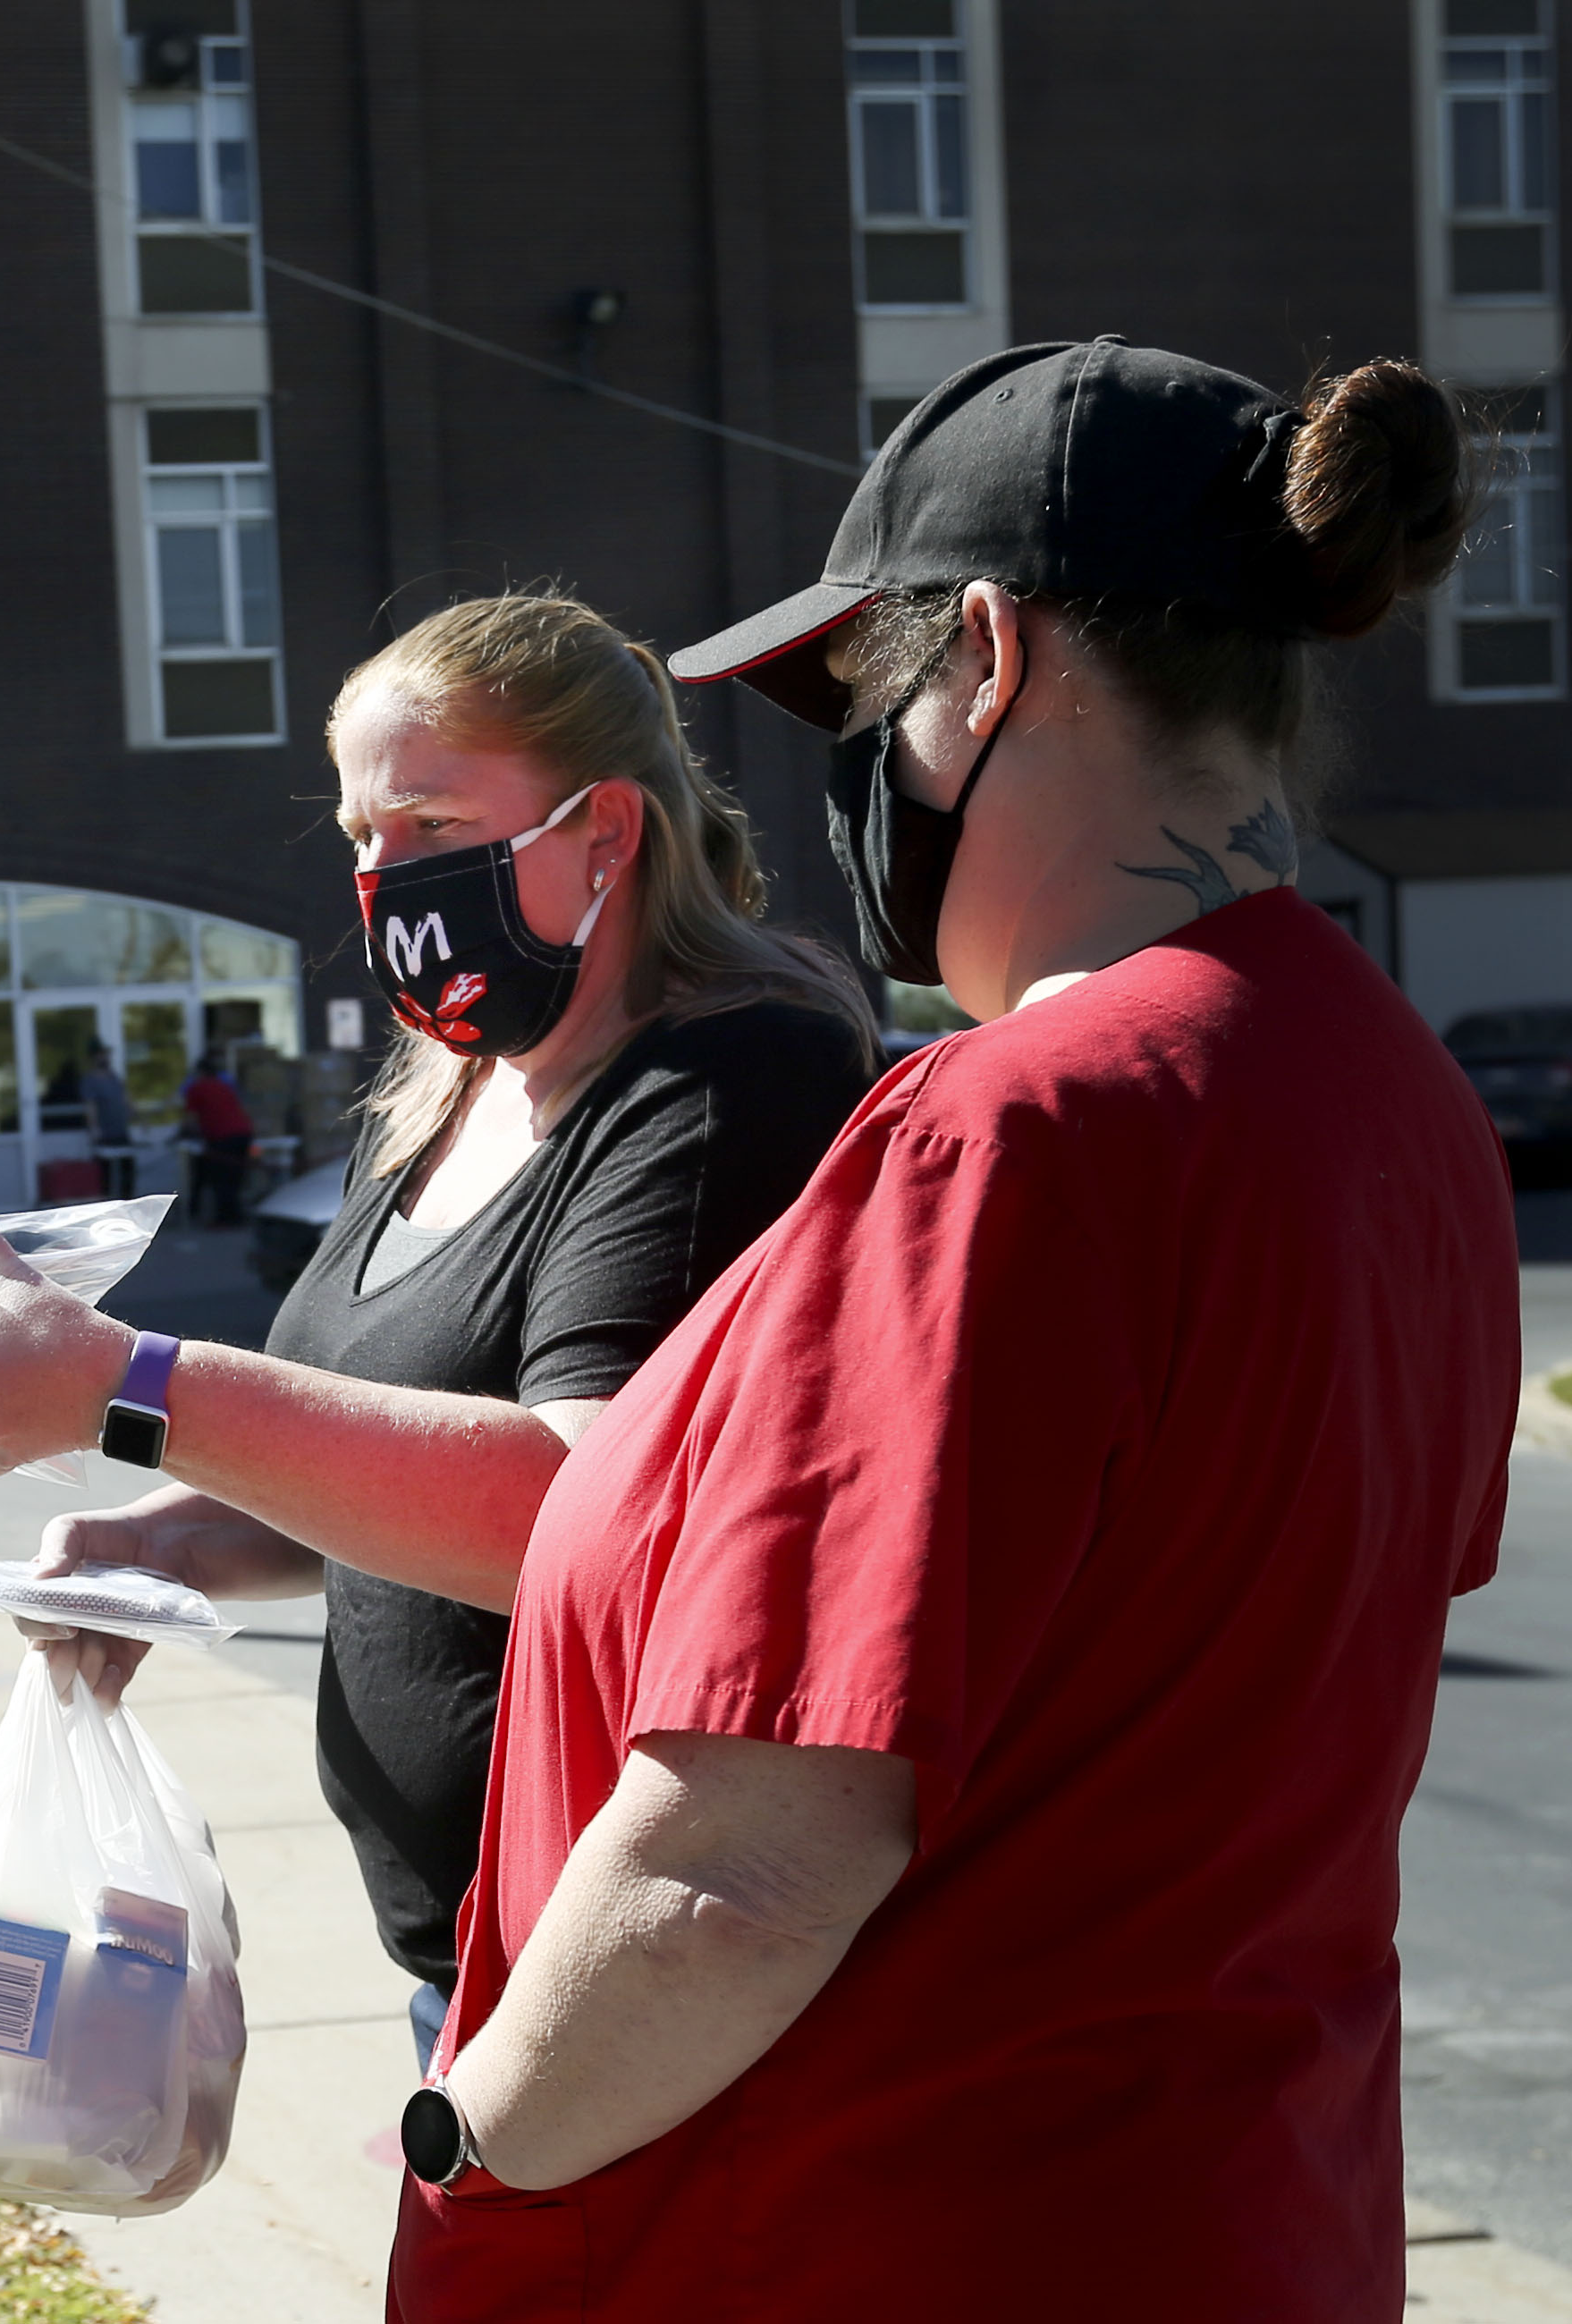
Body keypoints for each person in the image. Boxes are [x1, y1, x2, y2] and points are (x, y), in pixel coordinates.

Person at [382, 341, 1517, 2319]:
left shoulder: (1010, 1130)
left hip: (891, 2235)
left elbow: (733, 1877)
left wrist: (463, 2147)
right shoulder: (1397, 1095)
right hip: (1245, 2220)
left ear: (984, 660)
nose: (852, 769)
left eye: (864, 699)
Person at [0, 594, 878, 2066]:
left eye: (425, 821)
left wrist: (128, 1381)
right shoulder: (447, 1081)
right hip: (468, 1962)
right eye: (363, 835)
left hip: (646, 1978)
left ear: (603, 831)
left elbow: (579, 1504)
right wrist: (171, 1540)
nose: (385, 876)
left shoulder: (731, 1071)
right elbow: (389, 1459)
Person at [180, 1051, 258, 1225]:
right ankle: (236, 1215)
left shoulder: (197, 1088)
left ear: (200, 1072)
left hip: (222, 1137)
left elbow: (191, 1118)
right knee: (235, 1178)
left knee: (221, 1179)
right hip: (243, 1133)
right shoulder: (225, 1086)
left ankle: (226, 1218)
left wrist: (183, 1133)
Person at [79, 1040, 139, 1196]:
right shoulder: (90, 1080)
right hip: (105, 1133)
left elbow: (125, 1098)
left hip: (121, 1130)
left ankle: (128, 1202)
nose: (105, 1058)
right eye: (101, 1055)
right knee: (105, 1173)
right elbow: (90, 1106)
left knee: (128, 1168)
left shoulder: (114, 1077)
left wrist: (136, 1114)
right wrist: (94, 1128)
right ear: (94, 1057)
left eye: (106, 1054)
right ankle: (107, 1204)